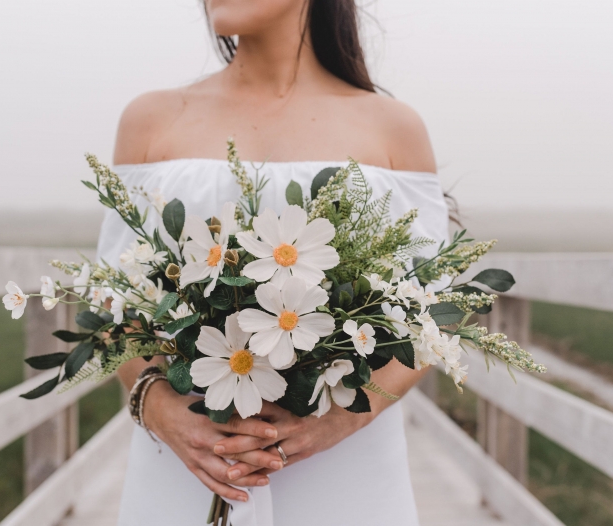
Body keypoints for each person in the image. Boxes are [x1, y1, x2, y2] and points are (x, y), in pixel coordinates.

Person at [98, 0, 449, 524]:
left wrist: (339, 424)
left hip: (345, 475)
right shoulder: (150, 120)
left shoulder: (392, 128)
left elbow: (433, 316)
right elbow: (113, 306)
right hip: (185, 469)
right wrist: (162, 412)